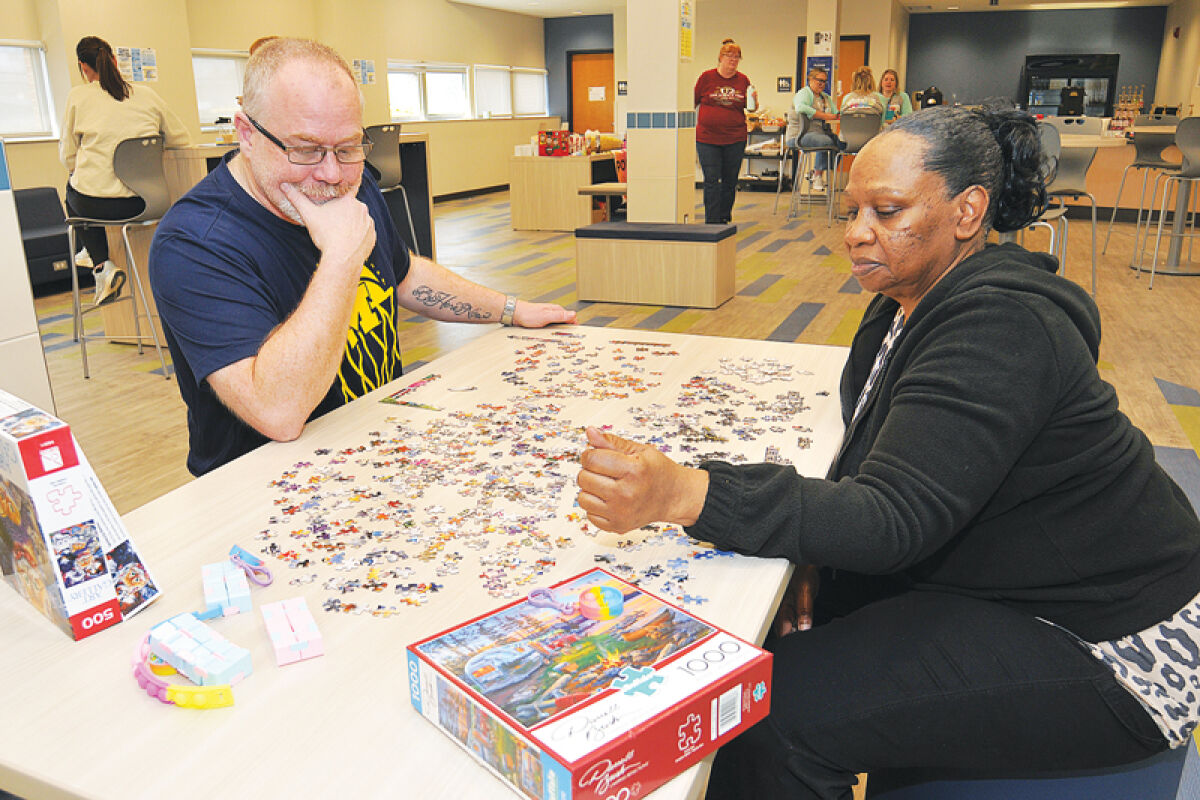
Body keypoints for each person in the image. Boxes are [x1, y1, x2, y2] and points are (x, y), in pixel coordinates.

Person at [576, 105, 1200, 798]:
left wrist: (685, 494)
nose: (855, 234)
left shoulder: (1002, 325)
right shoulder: (903, 298)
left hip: (1111, 641)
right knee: (784, 633)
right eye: (851, 211)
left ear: (968, 212)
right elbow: (873, 459)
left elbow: (894, 516)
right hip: (1013, 580)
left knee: (770, 714)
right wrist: (818, 557)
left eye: (887, 210)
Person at [149, 38, 575, 476]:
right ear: (246, 133)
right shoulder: (194, 243)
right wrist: (339, 258)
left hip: (380, 450)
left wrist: (511, 310)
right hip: (266, 490)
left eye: (348, 148)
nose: (331, 174)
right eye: (305, 149)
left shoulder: (349, 182)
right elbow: (278, 413)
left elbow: (404, 276)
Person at [60, 36, 190, 305]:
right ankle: (92, 255)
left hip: (95, 207)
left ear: (83, 67)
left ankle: (100, 264)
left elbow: (68, 156)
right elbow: (180, 140)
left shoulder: (78, 96)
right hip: (146, 204)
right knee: (79, 193)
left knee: (71, 189)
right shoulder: (147, 95)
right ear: (115, 60)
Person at [694, 39, 756, 225]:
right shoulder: (707, 78)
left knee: (730, 180)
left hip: (734, 138)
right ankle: (711, 221)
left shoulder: (743, 80)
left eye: (737, 57)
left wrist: (754, 102)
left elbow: (750, 108)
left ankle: (723, 216)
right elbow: (693, 101)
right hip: (707, 138)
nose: (733, 60)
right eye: (729, 56)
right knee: (711, 179)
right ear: (720, 58)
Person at [793, 67, 841, 192]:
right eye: (818, 80)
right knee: (825, 142)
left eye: (824, 81)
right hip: (803, 134)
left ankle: (816, 172)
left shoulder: (825, 97)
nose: (821, 84)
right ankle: (818, 175)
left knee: (840, 143)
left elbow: (835, 113)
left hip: (821, 132)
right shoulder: (804, 93)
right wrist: (824, 115)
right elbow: (800, 108)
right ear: (810, 79)